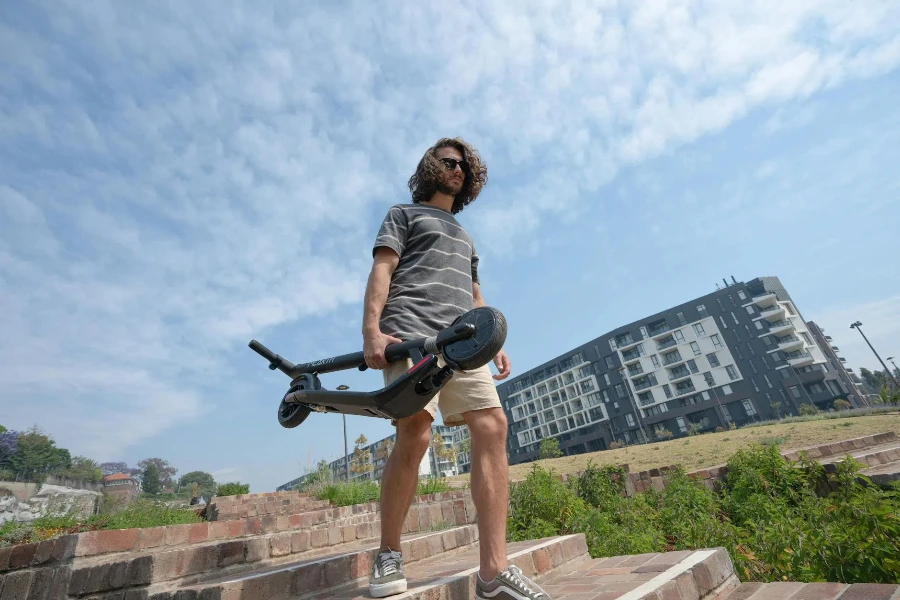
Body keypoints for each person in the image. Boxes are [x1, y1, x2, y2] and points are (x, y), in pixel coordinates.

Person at [361, 138, 550, 600]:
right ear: (430, 167)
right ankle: (388, 555)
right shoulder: (402, 215)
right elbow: (383, 271)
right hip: (410, 332)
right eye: (448, 162)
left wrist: (493, 341)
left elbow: (475, 297)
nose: (458, 169)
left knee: (492, 424)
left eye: (464, 166)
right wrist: (371, 332)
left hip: (464, 342)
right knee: (416, 432)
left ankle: (493, 573)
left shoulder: (465, 237)